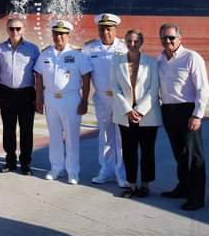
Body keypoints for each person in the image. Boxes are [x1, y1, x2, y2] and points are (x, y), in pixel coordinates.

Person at [157, 23, 209, 211]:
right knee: (179, 153)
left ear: (180, 38)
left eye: (171, 37)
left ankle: (197, 197)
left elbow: (203, 89)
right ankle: (183, 187)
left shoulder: (191, 57)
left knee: (194, 155)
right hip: (168, 110)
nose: (168, 41)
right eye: (164, 37)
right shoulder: (160, 59)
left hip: (187, 111)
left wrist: (197, 115)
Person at [35, 20, 91, 185]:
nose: (58, 37)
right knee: (54, 136)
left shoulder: (77, 55)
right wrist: (39, 99)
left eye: (62, 34)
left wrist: (85, 100)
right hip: (51, 99)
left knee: (72, 137)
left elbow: (86, 77)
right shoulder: (45, 54)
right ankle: (56, 167)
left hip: (71, 99)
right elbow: (39, 77)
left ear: (68, 35)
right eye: (56, 33)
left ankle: (73, 171)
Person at [111, 29, 161, 198]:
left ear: (142, 43)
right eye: (129, 41)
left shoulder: (152, 62)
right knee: (128, 150)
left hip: (148, 113)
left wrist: (139, 110)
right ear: (125, 42)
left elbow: (154, 88)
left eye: (136, 41)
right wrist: (127, 109)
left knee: (147, 151)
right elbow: (115, 87)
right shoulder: (116, 61)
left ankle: (145, 185)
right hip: (124, 113)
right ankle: (131, 185)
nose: (132, 44)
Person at [82, 13, 128, 187]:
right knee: (105, 135)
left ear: (115, 30)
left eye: (109, 29)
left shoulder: (125, 48)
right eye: (102, 29)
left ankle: (122, 174)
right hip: (101, 98)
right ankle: (106, 171)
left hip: (121, 98)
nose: (105, 32)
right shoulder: (90, 49)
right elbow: (85, 75)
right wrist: (83, 98)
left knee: (122, 138)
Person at [0, 17, 40, 175]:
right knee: (8, 129)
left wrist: (39, 96)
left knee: (26, 130)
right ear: (7, 30)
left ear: (23, 29)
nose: (15, 32)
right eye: (11, 29)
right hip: (6, 93)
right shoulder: (0, 49)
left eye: (18, 28)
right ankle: (10, 161)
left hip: (26, 93)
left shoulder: (33, 49)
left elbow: (39, 74)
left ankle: (25, 163)